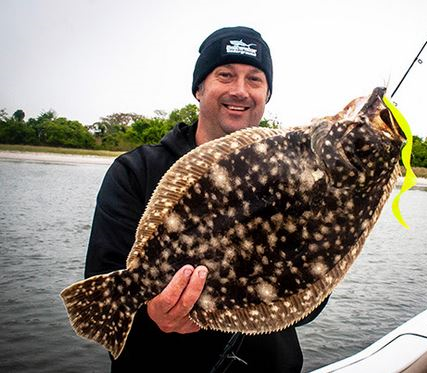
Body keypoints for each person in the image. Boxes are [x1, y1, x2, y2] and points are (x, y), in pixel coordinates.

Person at [85, 26, 327, 372]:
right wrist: (151, 313)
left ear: (267, 93)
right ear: (200, 88)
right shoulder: (135, 171)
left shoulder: (297, 175)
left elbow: (311, 305)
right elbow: (105, 284)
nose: (240, 91)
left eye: (255, 79)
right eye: (225, 75)